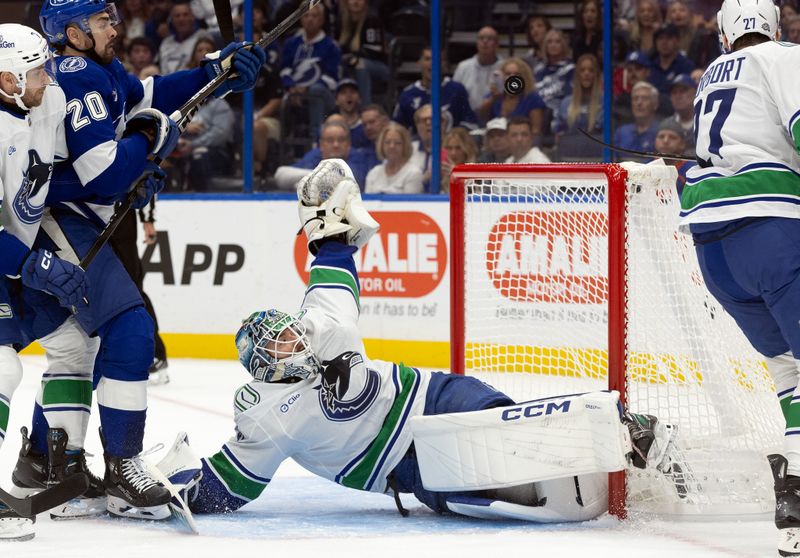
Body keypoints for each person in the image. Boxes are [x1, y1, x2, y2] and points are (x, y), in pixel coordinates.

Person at [151, 159, 678, 522]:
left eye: (288, 329)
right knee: (524, 492)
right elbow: (231, 486)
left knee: (503, 424)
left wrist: (326, 220)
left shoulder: (321, 320)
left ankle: (633, 434)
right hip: (398, 464)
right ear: (264, 369)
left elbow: (333, 258)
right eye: (281, 344)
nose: (293, 338)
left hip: (426, 395)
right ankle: (578, 470)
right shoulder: (263, 413)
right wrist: (165, 489)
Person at [22, 0, 265, 522]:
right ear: (73, 31)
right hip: (58, 219)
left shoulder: (100, 69)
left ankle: (47, 459)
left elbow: (148, 95)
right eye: (104, 20)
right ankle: (122, 469)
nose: (116, 26)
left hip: (64, 217)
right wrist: (148, 142)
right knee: (131, 330)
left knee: (77, 344)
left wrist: (214, 73)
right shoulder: (77, 74)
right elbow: (104, 174)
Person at [677, 1, 800, 554]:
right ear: (776, 28)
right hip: (770, 233)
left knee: (787, 372)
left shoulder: (710, 76)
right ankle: (795, 488)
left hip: (716, 257)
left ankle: (793, 508)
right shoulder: (786, 57)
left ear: (726, 35)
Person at [0, 23, 99, 541]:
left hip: (14, 257)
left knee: (75, 344)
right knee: (0, 368)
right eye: (35, 69)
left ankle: (57, 467)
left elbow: (111, 105)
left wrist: (149, 138)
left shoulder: (46, 99)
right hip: (7, 258)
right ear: (6, 79)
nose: (46, 77)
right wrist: (36, 265)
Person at [279, 3, 341, 135]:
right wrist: (292, 87)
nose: (310, 19)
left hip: (323, 95)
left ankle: (316, 137)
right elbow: (284, 69)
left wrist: (306, 89)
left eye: (314, 16)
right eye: (306, 15)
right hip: (295, 92)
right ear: (300, 19)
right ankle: (286, 143)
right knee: (285, 98)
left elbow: (332, 79)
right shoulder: (291, 43)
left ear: (322, 20)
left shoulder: (331, 46)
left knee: (315, 91)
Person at [392, 46, 477, 134]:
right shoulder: (408, 94)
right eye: (428, 59)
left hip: (451, 145)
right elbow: (397, 128)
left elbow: (471, 123)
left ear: (445, 64)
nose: (432, 63)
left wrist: (454, 138)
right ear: (419, 62)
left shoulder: (457, 90)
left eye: (438, 59)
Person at [274, 120, 370, 189]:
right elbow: (280, 174)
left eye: (341, 140)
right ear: (321, 145)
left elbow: (348, 178)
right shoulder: (315, 156)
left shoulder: (358, 158)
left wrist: (305, 181)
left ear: (349, 144)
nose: (336, 144)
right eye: (330, 140)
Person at [478, 57, 546, 141]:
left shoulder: (532, 98)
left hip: (520, 140)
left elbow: (536, 131)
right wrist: (493, 99)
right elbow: (481, 116)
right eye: (508, 74)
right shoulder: (495, 94)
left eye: (517, 74)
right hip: (496, 139)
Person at [335, 0, 388, 105]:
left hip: (379, 67)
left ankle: (365, 108)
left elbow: (376, 51)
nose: (355, 2)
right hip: (351, 63)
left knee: (361, 66)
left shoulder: (372, 20)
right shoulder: (342, 21)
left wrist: (356, 57)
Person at [553, 53, 603, 160]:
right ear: (577, 75)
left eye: (591, 70)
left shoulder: (604, 102)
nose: (586, 73)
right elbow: (559, 134)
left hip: (597, 158)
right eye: (582, 70)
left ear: (597, 74)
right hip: (571, 157)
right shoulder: (566, 103)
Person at [452, 26, 504, 116]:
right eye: (481, 38)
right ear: (477, 43)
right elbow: (454, 95)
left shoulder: (505, 67)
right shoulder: (463, 67)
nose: (485, 41)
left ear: (497, 44)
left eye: (490, 38)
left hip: (497, 118)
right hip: (467, 119)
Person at [365, 122, 423, 194]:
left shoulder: (413, 173)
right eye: (387, 142)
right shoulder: (374, 173)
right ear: (381, 145)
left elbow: (410, 203)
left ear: (405, 146)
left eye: (397, 143)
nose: (392, 146)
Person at [612, 81, 660, 162]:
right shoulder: (621, 132)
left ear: (655, 104)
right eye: (635, 99)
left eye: (644, 98)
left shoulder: (662, 133)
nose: (639, 103)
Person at [157, 0, 210, 74]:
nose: (181, 19)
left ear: (192, 17)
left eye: (185, 15)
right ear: (171, 20)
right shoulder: (166, 43)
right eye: (177, 16)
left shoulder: (203, 36)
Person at [648, 24, 695, 95]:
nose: (664, 42)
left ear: (678, 41)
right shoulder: (650, 66)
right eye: (660, 38)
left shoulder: (687, 65)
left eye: (669, 38)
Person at [440, 127, 478, 194]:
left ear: (466, 149)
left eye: (458, 148)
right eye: (449, 148)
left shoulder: (476, 169)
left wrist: (458, 174)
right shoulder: (441, 170)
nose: (453, 153)